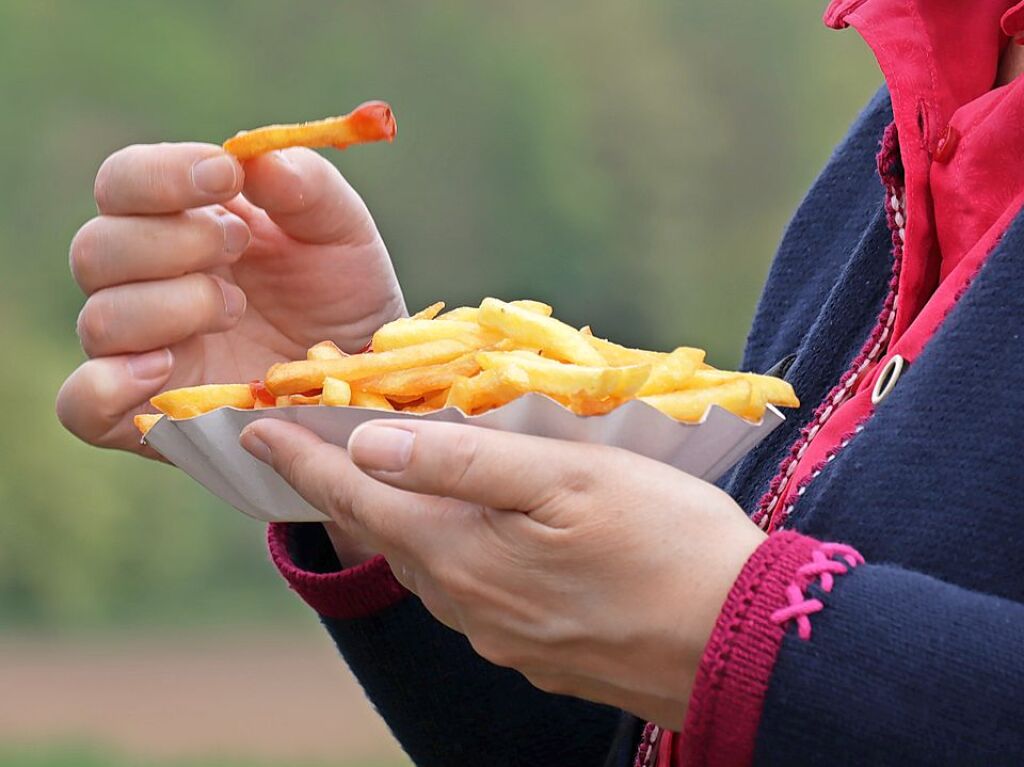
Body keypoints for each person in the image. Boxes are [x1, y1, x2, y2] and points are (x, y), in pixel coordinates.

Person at [56, 2, 1024, 764]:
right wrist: (368, 397)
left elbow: (731, 654)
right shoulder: (906, 118)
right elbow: (647, 734)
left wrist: (743, 634)